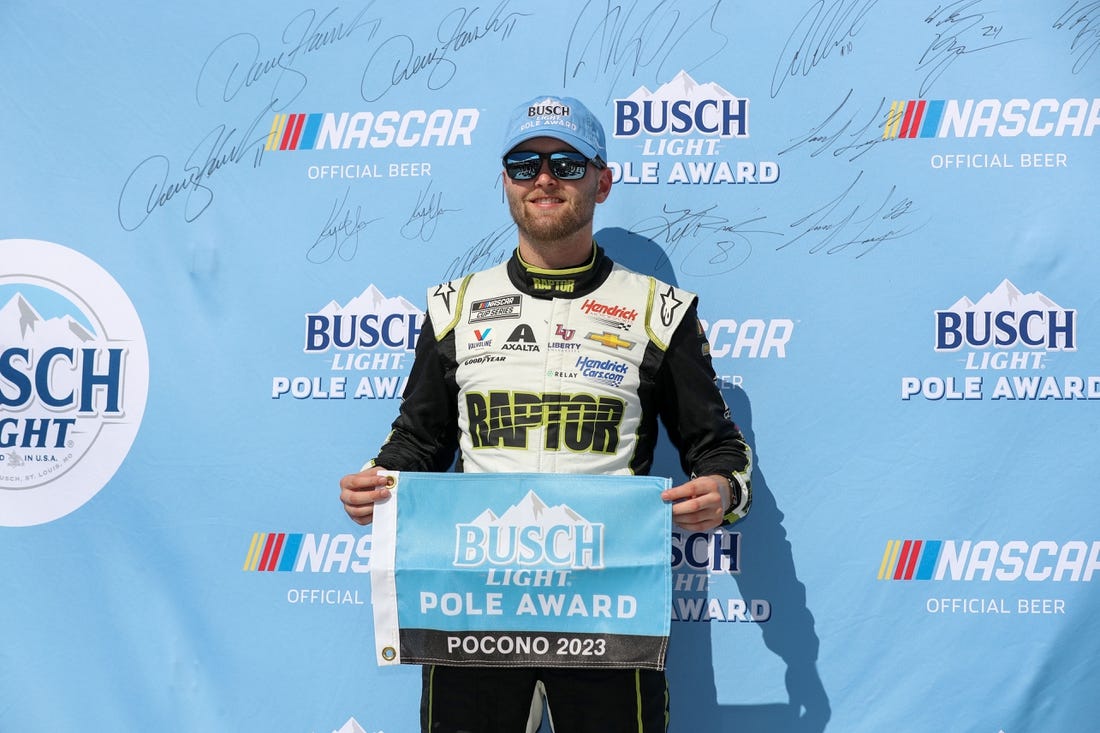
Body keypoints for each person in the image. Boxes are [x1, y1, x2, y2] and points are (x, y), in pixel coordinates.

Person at [340, 94, 752, 733]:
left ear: (603, 181)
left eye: (566, 162)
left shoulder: (660, 312)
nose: (545, 179)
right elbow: (417, 443)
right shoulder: (455, 306)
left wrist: (723, 490)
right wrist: (377, 480)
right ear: (504, 181)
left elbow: (720, 447)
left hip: (608, 612)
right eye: (523, 165)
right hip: (477, 609)